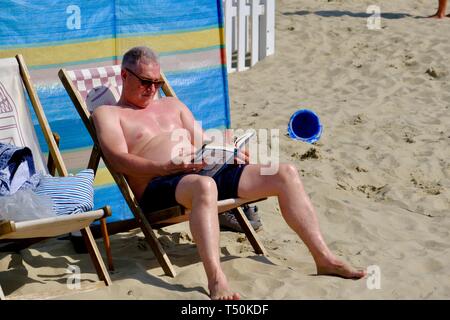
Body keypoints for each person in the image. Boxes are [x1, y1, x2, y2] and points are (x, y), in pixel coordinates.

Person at [92, 46, 366, 300]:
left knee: (285, 173)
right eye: (145, 82)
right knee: (204, 188)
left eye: (157, 83)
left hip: (199, 171)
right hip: (158, 184)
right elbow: (118, 160)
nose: (152, 89)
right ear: (124, 75)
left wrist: (226, 152)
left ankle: (324, 258)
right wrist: (164, 167)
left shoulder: (172, 105)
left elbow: (202, 143)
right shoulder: (109, 113)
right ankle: (216, 279)